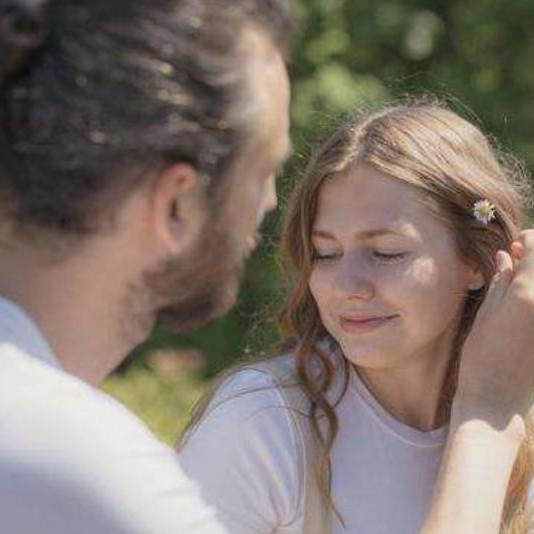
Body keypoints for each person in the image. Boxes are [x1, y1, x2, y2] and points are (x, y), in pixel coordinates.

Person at [0, 0, 292, 532]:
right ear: (177, 204)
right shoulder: (85, 469)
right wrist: (480, 423)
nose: (271, 201)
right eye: (264, 169)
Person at [178, 101, 534, 534]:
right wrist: (486, 413)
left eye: (386, 253)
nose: (346, 284)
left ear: (478, 261)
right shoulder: (260, 426)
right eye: (325, 253)